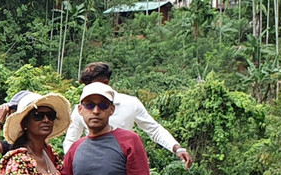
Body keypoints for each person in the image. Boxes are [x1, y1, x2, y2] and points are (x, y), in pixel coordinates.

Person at [63, 62, 193, 168]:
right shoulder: (82, 109)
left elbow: (154, 129)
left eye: (92, 85)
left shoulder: (130, 103)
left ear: (106, 82)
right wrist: (77, 166)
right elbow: (70, 141)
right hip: (94, 168)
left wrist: (177, 148)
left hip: (126, 167)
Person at [61, 83, 153, 175]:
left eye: (103, 105)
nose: (96, 111)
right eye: (89, 105)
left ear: (112, 110)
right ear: (80, 110)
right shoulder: (76, 148)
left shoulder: (129, 141)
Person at [0, 91, 89, 175]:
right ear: (25, 124)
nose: (46, 120)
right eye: (38, 116)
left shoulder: (50, 153)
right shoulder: (19, 160)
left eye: (50, 116)